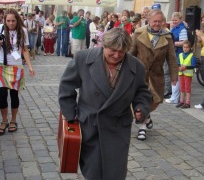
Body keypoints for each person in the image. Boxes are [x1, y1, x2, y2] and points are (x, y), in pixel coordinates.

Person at [58, 27, 151, 180]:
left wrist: (141, 107)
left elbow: (142, 91)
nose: (116, 55)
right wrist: (71, 116)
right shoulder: (83, 58)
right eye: (112, 50)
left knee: (115, 173)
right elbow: (66, 86)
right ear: (103, 45)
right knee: (93, 173)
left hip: (118, 127)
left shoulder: (136, 67)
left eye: (121, 52)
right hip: (90, 125)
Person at [130, 9, 178, 140]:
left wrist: (174, 76)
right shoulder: (139, 33)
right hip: (140, 74)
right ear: (149, 21)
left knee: (154, 101)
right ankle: (142, 127)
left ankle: (146, 115)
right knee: (141, 99)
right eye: (155, 21)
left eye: (160, 21)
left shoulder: (167, 37)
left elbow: (172, 58)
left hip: (156, 75)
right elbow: (131, 53)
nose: (157, 24)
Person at [0, 9, 35, 135]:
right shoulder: (0, 29)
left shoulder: (23, 31)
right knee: (2, 96)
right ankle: (4, 120)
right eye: (8, 21)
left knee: (14, 95)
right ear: (4, 20)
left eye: (13, 21)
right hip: (1, 67)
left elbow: (25, 50)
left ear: (17, 20)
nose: (10, 23)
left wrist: (30, 67)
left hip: (16, 66)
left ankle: (13, 120)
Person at [165, 12, 188, 104]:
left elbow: (184, 42)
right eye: (173, 20)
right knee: (175, 76)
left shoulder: (182, 29)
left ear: (180, 20)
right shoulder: (174, 28)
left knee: (176, 76)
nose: (174, 21)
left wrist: (171, 43)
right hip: (174, 54)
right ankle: (174, 96)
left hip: (179, 55)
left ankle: (175, 97)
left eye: (176, 20)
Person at [175, 40, 196, 108]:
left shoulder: (192, 56)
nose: (185, 49)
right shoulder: (180, 55)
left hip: (188, 74)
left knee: (187, 88)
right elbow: (178, 63)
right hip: (181, 73)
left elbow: (193, 65)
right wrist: (179, 67)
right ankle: (181, 101)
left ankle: (187, 102)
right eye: (184, 47)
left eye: (187, 47)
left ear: (190, 48)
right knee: (182, 88)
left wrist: (186, 67)